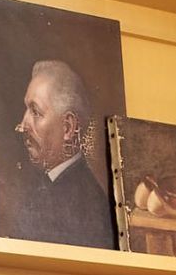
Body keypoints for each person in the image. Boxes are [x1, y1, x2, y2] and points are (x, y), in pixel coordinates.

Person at [10, 57, 114, 247]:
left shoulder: (86, 203)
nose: (22, 125)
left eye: (35, 112)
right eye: (26, 109)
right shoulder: (44, 184)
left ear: (67, 128)